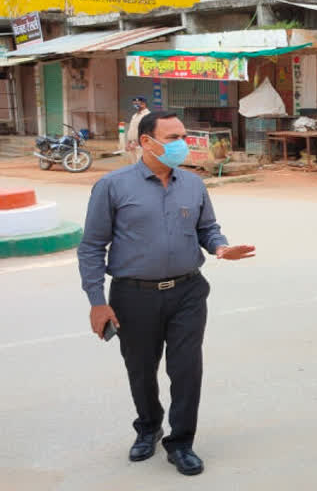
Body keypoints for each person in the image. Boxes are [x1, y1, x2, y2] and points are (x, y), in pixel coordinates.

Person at [77, 111, 255, 476]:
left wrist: (220, 248)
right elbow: (92, 247)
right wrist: (97, 302)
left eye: (183, 136)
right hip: (133, 295)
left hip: (188, 291)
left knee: (187, 369)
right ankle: (148, 427)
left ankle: (182, 442)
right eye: (172, 137)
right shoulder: (113, 186)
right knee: (141, 369)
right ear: (146, 141)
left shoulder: (193, 184)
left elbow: (208, 229)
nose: (182, 143)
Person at [126, 96, 151, 164]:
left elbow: (146, 131)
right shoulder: (134, 115)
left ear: (143, 104)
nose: (135, 105)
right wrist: (128, 143)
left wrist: (137, 143)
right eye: (134, 104)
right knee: (133, 165)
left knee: (141, 164)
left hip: (141, 145)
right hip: (132, 144)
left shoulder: (147, 115)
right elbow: (131, 129)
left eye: (137, 103)